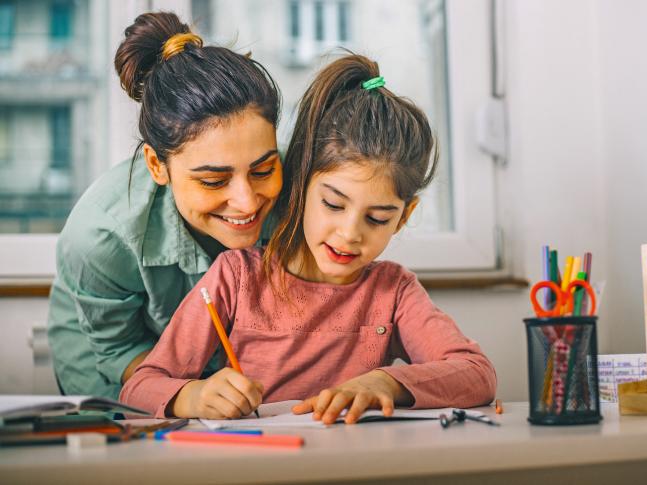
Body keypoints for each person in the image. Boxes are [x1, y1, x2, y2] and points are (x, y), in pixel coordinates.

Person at [120, 54, 497, 424]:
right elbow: (139, 386)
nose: (350, 234)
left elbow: (477, 373)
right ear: (301, 186)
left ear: (404, 218)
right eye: (333, 204)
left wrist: (385, 382)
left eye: (377, 218)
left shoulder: (393, 292)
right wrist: (193, 395)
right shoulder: (237, 277)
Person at [47, 11, 283, 400]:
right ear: (158, 165)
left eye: (263, 169)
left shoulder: (304, 190)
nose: (247, 201)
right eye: (213, 180)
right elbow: (118, 349)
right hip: (115, 363)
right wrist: (190, 394)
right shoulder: (101, 235)